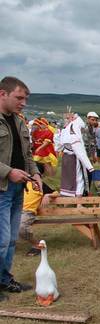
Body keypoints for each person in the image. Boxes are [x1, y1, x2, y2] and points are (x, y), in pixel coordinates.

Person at [0, 76, 42, 301]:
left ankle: (5, 280)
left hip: (18, 189)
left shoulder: (19, 121)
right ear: (2, 94)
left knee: (11, 240)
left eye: (25, 99)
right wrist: (9, 172)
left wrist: (34, 172)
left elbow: (27, 155)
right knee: (2, 239)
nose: (23, 103)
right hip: (2, 188)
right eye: (19, 97)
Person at [56, 112, 94, 197]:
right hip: (74, 158)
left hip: (66, 157)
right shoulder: (74, 133)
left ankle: (65, 201)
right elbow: (79, 151)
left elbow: (58, 146)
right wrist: (89, 167)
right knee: (79, 179)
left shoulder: (65, 131)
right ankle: (79, 204)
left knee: (67, 179)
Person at [20, 181, 56, 256]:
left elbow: (56, 193)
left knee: (21, 227)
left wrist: (47, 195)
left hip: (27, 212)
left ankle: (37, 245)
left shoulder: (39, 184)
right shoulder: (15, 181)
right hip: (12, 210)